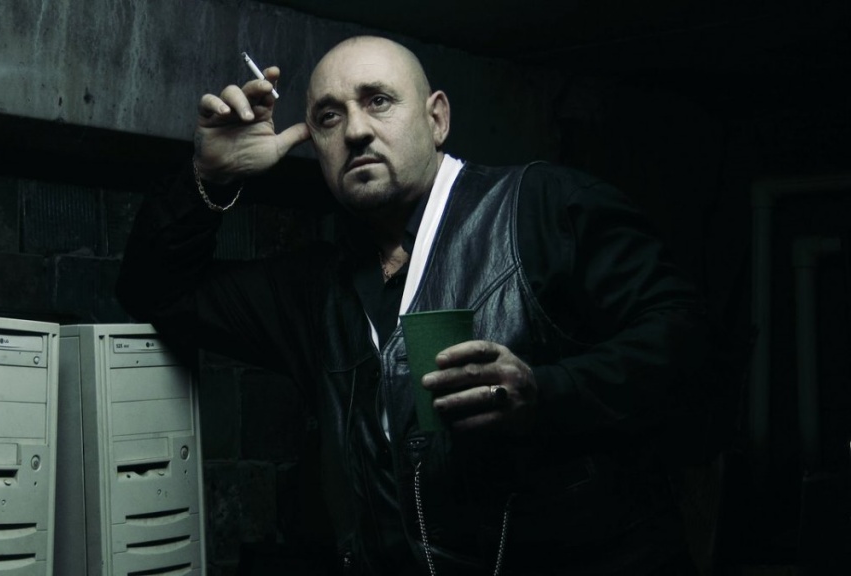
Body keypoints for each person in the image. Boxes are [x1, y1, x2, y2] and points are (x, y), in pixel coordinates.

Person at [118, 35, 722, 575]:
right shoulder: (312, 290)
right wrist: (209, 179)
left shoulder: (543, 207)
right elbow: (157, 293)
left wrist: (546, 392)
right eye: (329, 116)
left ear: (436, 118)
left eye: (378, 101)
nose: (355, 130)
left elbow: (690, 344)